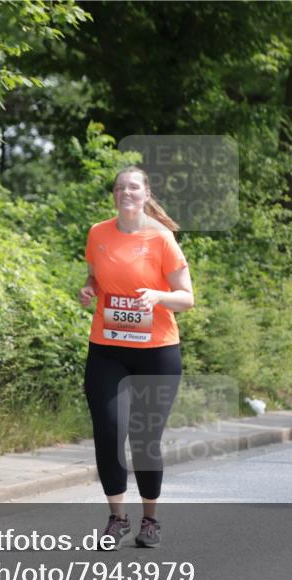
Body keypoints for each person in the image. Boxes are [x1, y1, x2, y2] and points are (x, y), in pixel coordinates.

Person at [79, 166, 194, 548]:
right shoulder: (98, 233)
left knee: (144, 439)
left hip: (156, 352)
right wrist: (89, 289)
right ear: (114, 195)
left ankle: (150, 521)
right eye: (119, 188)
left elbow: (187, 298)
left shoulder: (162, 238)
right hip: (108, 348)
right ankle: (116, 518)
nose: (125, 192)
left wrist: (158, 297)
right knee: (109, 431)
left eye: (133, 187)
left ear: (145, 194)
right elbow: (96, 277)